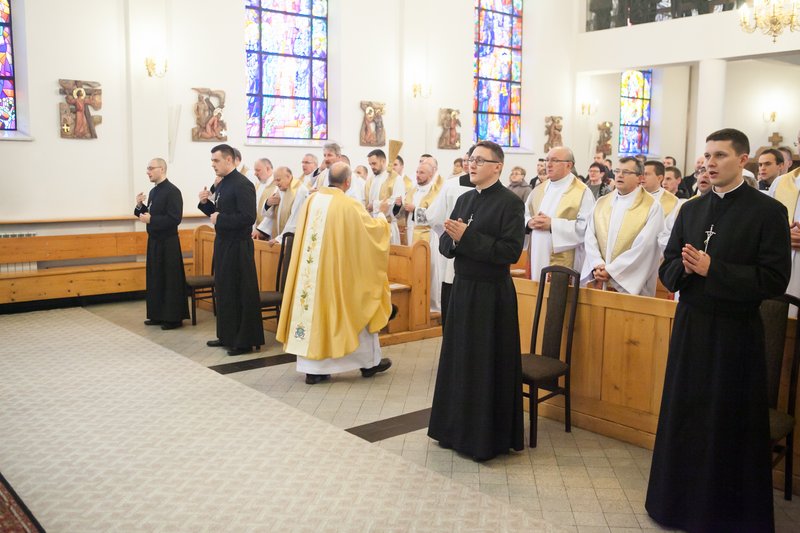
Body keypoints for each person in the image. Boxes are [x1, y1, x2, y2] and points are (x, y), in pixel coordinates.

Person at [647, 128, 791, 532]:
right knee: (685, 415)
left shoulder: (768, 212)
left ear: (742, 160)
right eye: (707, 155)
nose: (710, 163)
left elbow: (774, 279)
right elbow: (667, 265)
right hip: (692, 326)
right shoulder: (691, 210)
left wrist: (715, 269)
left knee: (727, 420)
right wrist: (684, 269)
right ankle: (675, 504)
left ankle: (722, 514)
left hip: (735, 333)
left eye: (720, 155)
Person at [428, 140, 525, 462]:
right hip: (463, 289)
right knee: (459, 360)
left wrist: (467, 237)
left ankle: (484, 439)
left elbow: (509, 252)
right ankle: (452, 430)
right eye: (471, 159)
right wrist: (455, 241)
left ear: (497, 167)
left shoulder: (510, 203)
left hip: (491, 294)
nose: (472, 164)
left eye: (480, 160)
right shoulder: (464, 198)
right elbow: (445, 244)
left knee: (484, 364)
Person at [277, 162, 393, 385]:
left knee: (312, 313)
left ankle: (313, 370)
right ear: (348, 182)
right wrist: (381, 216)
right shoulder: (349, 205)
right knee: (357, 305)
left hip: (309, 277)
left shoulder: (311, 201)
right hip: (337, 274)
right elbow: (371, 233)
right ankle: (369, 363)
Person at [198, 144, 265, 356]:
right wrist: (205, 203)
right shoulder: (223, 183)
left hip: (238, 246)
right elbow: (217, 213)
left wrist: (221, 218)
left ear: (229, 160)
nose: (213, 165)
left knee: (239, 291)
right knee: (225, 290)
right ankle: (227, 335)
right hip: (223, 243)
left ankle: (243, 341)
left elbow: (248, 217)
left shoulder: (242, 184)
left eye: (216, 161)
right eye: (212, 161)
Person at [581, 157, 664, 296]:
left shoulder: (652, 207)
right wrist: (597, 263)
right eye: (617, 171)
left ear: (640, 178)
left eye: (626, 172)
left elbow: (645, 247)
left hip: (630, 288)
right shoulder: (602, 202)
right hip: (599, 278)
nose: (619, 175)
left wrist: (612, 271)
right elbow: (590, 236)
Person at [525, 146, 594, 284]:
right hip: (536, 254)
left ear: (569, 165)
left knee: (557, 295)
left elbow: (585, 228)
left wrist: (553, 225)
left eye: (555, 160)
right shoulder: (538, 189)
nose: (548, 164)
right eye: (547, 160)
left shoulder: (582, 192)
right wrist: (529, 222)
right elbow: (525, 213)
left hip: (564, 259)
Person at [424, 147, 476, 326]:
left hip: (452, 260)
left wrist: (447, 235)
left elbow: (434, 217)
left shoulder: (451, 185)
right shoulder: (452, 185)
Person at [135, 158, 189, 330]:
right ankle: (157, 314)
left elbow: (174, 218)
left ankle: (173, 318)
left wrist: (152, 220)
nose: (148, 172)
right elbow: (150, 214)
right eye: (147, 168)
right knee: (156, 278)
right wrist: (139, 206)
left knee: (169, 280)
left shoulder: (173, 191)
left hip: (168, 242)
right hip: (154, 241)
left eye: (151, 168)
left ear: (162, 169)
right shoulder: (154, 191)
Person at [400, 160, 443, 312]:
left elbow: (435, 215)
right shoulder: (412, 190)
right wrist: (399, 205)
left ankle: (432, 307)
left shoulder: (436, 192)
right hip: (411, 233)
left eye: (422, 173)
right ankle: (415, 305)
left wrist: (415, 209)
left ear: (431, 175)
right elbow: (402, 212)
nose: (418, 175)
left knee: (429, 271)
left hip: (428, 236)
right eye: (417, 172)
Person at [257, 167, 309, 245]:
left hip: (290, 240)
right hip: (277, 237)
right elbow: (271, 216)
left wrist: (280, 238)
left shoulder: (300, 191)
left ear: (288, 176)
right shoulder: (279, 190)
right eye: (275, 180)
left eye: (278, 180)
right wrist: (267, 204)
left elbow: (295, 219)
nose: (276, 183)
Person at [365, 149, 405, 244]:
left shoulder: (396, 178)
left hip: (388, 226)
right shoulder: (370, 180)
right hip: (373, 227)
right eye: (370, 164)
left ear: (383, 161)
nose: (372, 167)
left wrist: (374, 206)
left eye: (374, 163)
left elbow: (397, 203)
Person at [642, 160, 682, 251]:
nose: (642, 177)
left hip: (655, 251)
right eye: (641, 174)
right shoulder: (634, 196)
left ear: (659, 178)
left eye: (646, 174)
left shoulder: (673, 202)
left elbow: (669, 233)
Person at [251, 158, 276, 239]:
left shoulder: (277, 186)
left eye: (258, 170)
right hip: (255, 231)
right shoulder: (259, 185)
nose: (255, 173)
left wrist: (260, 230)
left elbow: (273, 213)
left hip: (267, 233)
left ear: (268, 169)